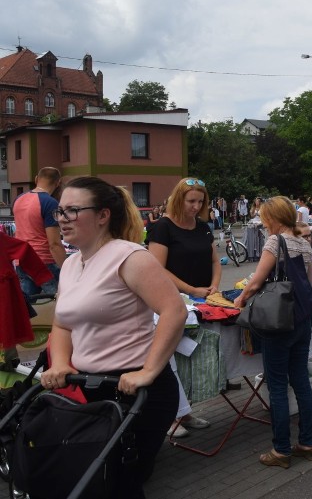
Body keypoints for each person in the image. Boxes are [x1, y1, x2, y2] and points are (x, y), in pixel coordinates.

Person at [39, 176, 186, 498]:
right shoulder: (71, 264)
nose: (62, 219)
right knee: (99, 478)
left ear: (103, 215)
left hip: (138, 393)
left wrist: (148, 370)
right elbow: (63, 324)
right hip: (93, 388)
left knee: (120, 480)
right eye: (59, 212)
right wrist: (61, 363)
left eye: (73, 211)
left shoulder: (130, 257)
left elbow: (174, 311)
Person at [233, 197, 312, 469]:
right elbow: (308, 281)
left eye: (265, 217)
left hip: (279, 321)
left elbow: (257, 281)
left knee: (278, 385)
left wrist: (240, 299)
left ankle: (281, 450)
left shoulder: (275, 241)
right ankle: (307, 443)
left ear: (274, 219)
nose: (262, 222)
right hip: (302, 318)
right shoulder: (304, 243)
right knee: (301, 380)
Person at [147, 177, 219, 436]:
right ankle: (173, 415)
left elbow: (215, 261)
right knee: (171, 360)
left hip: (202, 301)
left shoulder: (202, 226)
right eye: (191, 201)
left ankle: (184, 412)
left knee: (193, 357)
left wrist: (213, 287)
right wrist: (191, 290)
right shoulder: (163, 227)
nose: (196, 206)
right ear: (179, 199)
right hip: (171, 303)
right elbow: (157, 268)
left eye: (200, 202)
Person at [12, 166, 65, 298]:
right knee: (60, 301)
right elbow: (54, 243)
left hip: (22, 260)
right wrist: (67, 267)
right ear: (58, 183)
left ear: (36, 179)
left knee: (26, 305)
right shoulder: (50, 203)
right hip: (44, 262)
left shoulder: (18, 199)